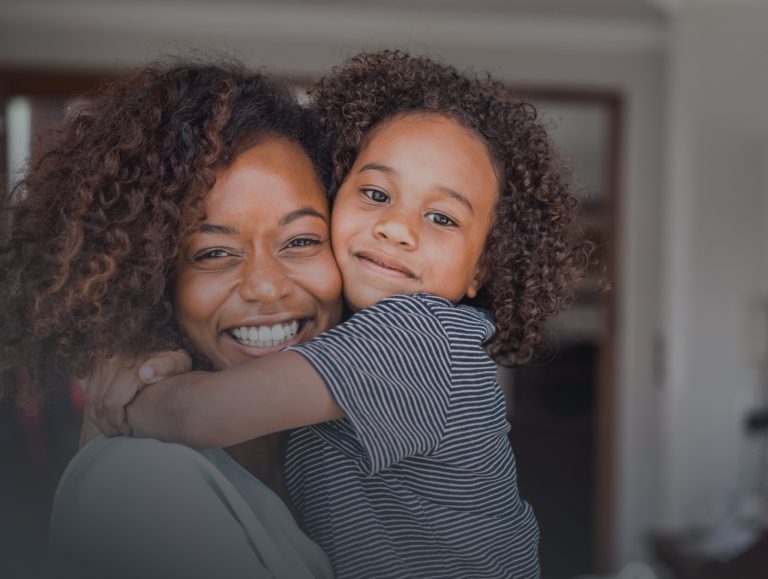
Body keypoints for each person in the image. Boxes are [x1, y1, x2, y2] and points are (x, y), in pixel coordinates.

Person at [102, 51, 593, 579]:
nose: (397, 228)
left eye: (442, 217)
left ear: (481, 271)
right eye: (377, 194)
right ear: (336, 195)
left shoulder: (420, 337)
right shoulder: (340, 351)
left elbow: (194, 417)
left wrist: (126, 397)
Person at [0, 62, 340, 579]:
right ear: (151, 281)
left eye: (302, 241)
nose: (266, 287)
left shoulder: (342, 458)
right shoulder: (140, 482)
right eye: (214, 253)